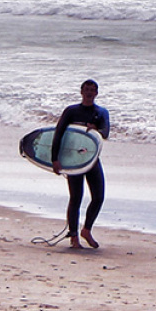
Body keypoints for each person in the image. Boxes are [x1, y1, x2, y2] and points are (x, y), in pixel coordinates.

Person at [52, 79, 111, 250]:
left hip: (91, 160)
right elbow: (58, 134)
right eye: (87, 89)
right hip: (73, 161)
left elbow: (105, 133)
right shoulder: (71, 111)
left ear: (97, 93)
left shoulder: (101, 113)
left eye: (93, 90)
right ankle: (73, 236)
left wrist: (96, 130)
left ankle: (86, 230)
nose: (89, 92)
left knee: (99, 197)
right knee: (76, 198)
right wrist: (55, 159)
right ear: (81, 91)